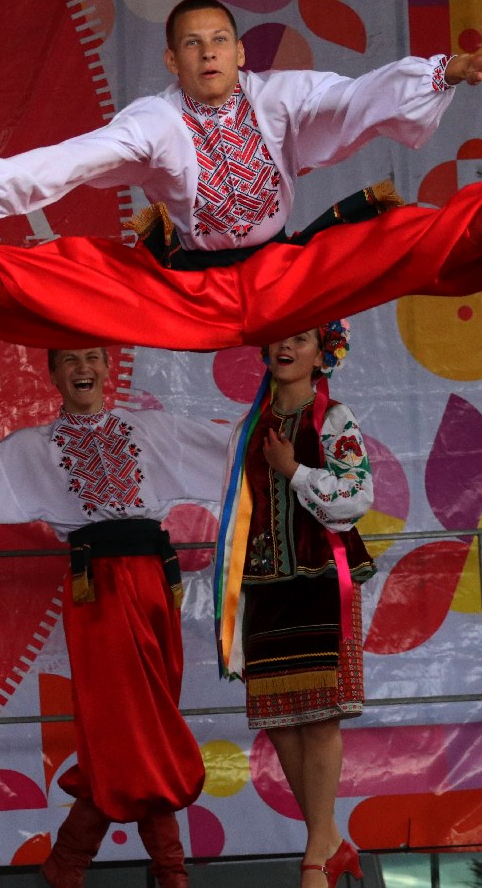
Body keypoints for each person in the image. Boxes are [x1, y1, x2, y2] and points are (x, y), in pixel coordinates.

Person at [0, 0, 482, 350]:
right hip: (187, 291)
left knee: (407, 237)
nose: (208, 52)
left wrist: (440, 71)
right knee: (63, 273)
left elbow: (354, 99)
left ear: (240, 50)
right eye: (192, 43)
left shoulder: (278, 96)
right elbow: (84, 155)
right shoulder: (156, 121)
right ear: (172, 58)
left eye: (219, 39)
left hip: (284, 275)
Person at [0, 351, 229, 888]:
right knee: (137, 727)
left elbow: (232, 453)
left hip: (157, 588)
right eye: (69, 362)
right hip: (100, 593)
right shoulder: (33, 450)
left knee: (140, 728)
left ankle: (65, 868)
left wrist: (297, 431)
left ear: (108, 369)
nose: (82, 368)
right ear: (53, 374)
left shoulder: (151, 430)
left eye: (92, 358)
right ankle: (168, 873)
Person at [211, 322, 371, 888]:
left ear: (322, 354)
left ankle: (314, 859)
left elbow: (357, 497)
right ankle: (329, 841)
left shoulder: (334, 419)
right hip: (262, 583)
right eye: (280, 339)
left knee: (319, 716)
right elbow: (233, 512)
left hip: (320, 577)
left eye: (300, 340)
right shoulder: (248, 428)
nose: (286, 348)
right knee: (279, 721)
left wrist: (296, 472)